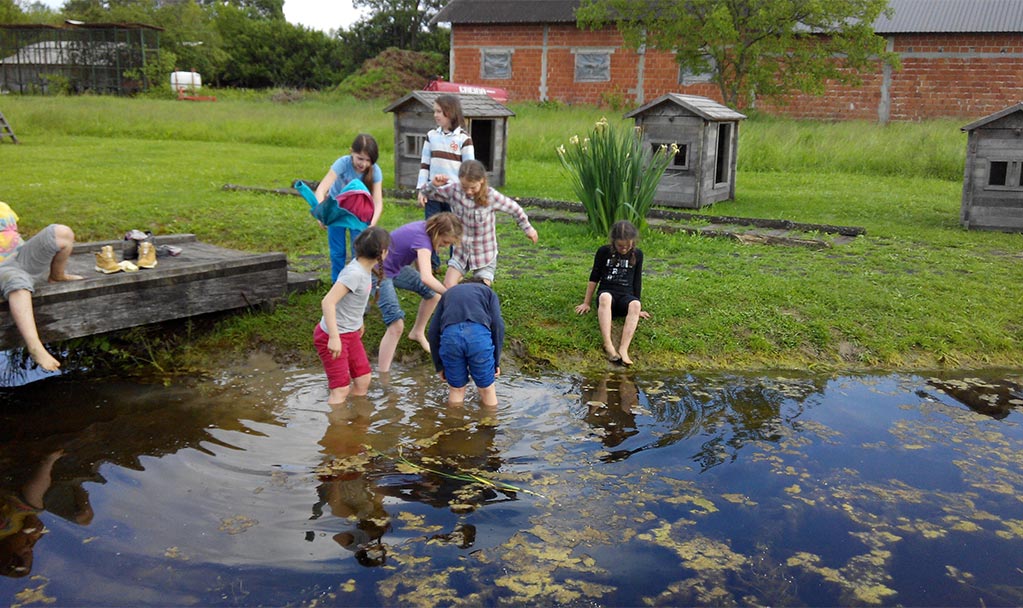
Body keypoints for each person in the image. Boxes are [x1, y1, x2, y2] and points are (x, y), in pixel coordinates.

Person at [423, 159, 539, 288]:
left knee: (480, 289)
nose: (468, 191)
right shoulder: (454, 191)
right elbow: (428, 195)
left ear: (482, 180)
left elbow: (515, 209)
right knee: (448, 285)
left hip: (484, 253)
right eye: (464, 187)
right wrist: (433, 184)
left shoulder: (491, 196)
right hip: (461, 251)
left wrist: (528, 229)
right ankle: (455, 307)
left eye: (473, 187)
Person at [0, 202, 84, 371]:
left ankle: (57, 276)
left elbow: (12, 235)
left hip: (21, 256)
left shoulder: (3, 206)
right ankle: (35, 346)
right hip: (4, 269)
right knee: (19, 285)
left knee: (62, 232)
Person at [375, 212, 463, 373]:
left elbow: (420, 267)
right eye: (444, 242)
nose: (444, 247)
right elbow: (426, 278)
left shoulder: (424, 229)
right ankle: (383, 374)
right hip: (376, 272)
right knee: (396, 325)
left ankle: (417, 332)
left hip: (395, 269)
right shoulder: (423, 241)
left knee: (433, 295)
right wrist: (450, 294)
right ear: (437, 232)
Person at [314, 227, 390, 405]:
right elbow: (328, 302)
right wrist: (334, 337)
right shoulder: (354, 273)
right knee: (340, 389)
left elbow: (353, 301)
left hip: (350, 332)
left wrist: (359, 321)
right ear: (383, 252)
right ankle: (338, 430)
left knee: (363, 379)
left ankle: (358, 422)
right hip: (333, 336)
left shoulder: (364, 269)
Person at [574, 220, 650, 366]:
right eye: (620, 246)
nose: (624, 249)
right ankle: (608, 345)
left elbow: (637, 280)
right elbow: (594, 277)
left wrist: (638, 307)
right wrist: (586, 302)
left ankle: (623, 349)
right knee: (605, 297)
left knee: (635, 304)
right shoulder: (604, 251)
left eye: (627, 246)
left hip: (625, 298)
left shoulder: (638, 254)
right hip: (607, 296)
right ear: (613, 242)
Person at [314, 134, 384, 282]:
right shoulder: (342, 164)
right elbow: (321, 190)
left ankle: (355, 284)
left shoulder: (375, 171)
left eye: (368, 160)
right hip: (336, 211)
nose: (363, 164)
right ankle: (337, 285)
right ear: (351, 152)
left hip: (359, 213)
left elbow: (378, 202)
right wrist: (322, 214)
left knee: (358, 251)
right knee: (337, 252)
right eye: (360, 158)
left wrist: (372, 224)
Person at [416, 95, 474, 271]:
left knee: (454, 229)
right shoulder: (431, 136)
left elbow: (469, 169)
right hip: (433, 194)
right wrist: (421, 190)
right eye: (434, 111)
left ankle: (454, 265)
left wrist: (468, 192)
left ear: (450, 112)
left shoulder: (464, 139)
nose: (436, 115)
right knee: (431, 228)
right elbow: (425, 165)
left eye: (439, 111)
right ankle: (432, 264)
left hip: (454, 196)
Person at [427, 277, 505, 407]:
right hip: (478, 337)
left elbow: (433, 331)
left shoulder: (448, 293)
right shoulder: (488, 292)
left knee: (456, 390)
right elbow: (497, 325)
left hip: (450, 338)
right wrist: (496, 361)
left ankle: (456, 426)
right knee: (487, 390)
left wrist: (439, 366)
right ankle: (490, 425)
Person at [0, 450, 63, 578]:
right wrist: (32, 524)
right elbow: (33, 521)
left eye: (25, 554)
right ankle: (48, 463)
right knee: (35, 506)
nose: (29, 549)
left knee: (32, 502)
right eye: (30, 554)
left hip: (9, 498)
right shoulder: (27, 541)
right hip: (21, 503)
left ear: (7, 552)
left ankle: (47, 461)